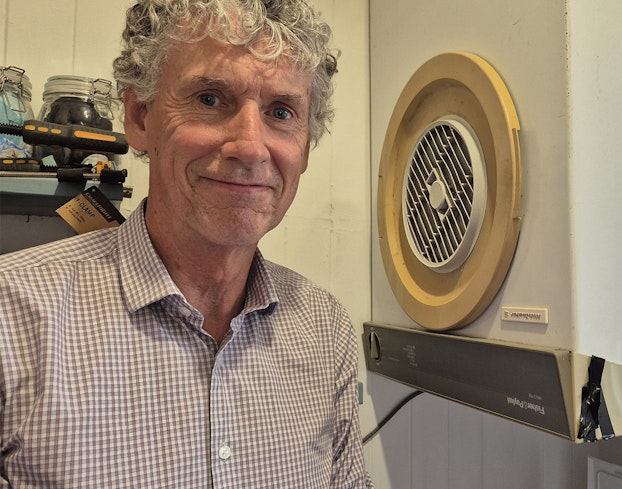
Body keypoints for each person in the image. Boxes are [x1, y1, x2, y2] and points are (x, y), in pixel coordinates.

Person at [0, 0, 373, 487]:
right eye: (210, 99)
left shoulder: (326, 333)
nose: (251, 146)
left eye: (281, 112)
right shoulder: (13, 318)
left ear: (304, 147)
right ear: (139, 117)